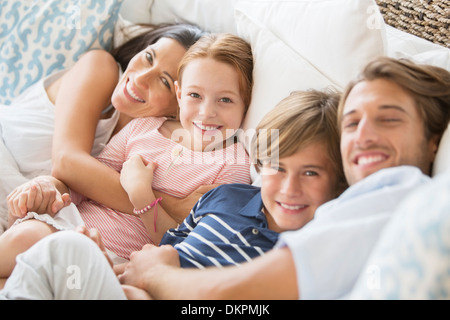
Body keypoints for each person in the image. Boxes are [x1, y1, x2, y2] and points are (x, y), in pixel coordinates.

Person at [0, 88, 347, 298]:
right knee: (63, 252)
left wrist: (156, 276)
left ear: (339, 182)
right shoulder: (230, 197)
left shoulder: (314, 249)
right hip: (128, 288)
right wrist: (108, 267)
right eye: (277, 168)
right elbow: (163, 245)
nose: (289, 188)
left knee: (64, 251)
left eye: (311, 173)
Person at [0, 33, 254, 281]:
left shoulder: (232, 165)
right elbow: (79, 183)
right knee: (25, 239)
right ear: (180, 95)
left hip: (117, 257)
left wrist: (143, 194)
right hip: (70, 223)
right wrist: (51, 187)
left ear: (246, 103)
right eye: (195, 95)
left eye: (225, 100)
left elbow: (184, 244)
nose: (207, 112)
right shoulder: (142, 128)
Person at [0, 23, 207, 233]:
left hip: (22, 206)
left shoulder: (150, 141)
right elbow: (66, 162)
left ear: (179, 105)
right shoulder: (100, 66)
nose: (141, 78)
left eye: (163, 81)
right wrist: (171, 206)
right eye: (148, 57)